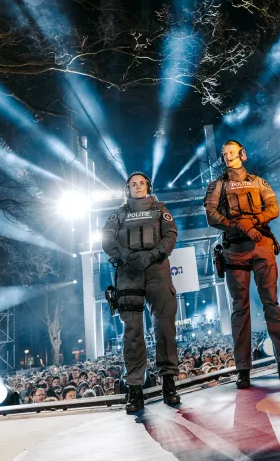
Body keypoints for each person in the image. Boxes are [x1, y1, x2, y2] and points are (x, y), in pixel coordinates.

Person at [203, 140, 280, 388]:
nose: (227, 156)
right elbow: (211, 215)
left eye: (231, 152)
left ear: (242, 154)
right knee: (239, 310)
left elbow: (274, 207)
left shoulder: (258, 181)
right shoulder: (217, 185)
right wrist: (239, 225)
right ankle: (243, 368)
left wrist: (253, 221)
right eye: (224, 153)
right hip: (235, 250)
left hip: (261, 246)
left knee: (272, 303)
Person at [102, 171, 181, 414]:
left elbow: (171, 235)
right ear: (127, 188)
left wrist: (153, 254)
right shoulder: (119, 214)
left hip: (157, 269)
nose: (137, 186)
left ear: (148, 185)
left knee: (165, 328)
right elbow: (106, 239)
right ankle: (135, 389)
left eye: (141, 183)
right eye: (133, 184)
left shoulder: (160, 209)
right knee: (132, 332)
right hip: (128, 272)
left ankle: (169, 383)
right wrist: (127, 256)